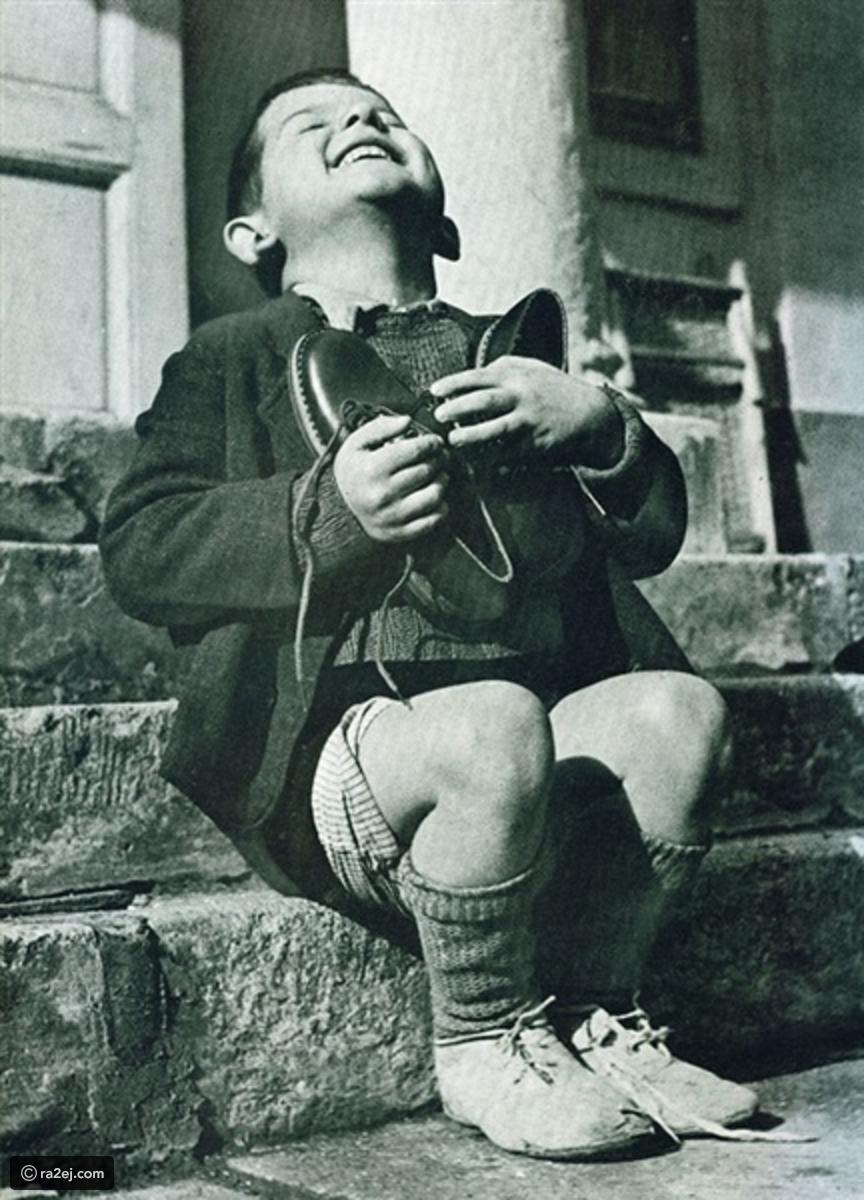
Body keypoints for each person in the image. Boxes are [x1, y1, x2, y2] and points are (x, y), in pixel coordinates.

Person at [100, 67, 757, 1161]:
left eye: (383, 117)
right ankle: (485, 1035)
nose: (360, 122)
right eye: (313, 126)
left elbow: (648, 539)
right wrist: (325, 513)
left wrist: (601, 425)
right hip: (349, 763)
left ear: (446, 218)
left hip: (529, 757)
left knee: (679, 714)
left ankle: (598, 1013)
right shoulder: (232, 356)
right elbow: (141, 545)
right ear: (253, 232)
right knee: (493, 722)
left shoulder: (517, 355)